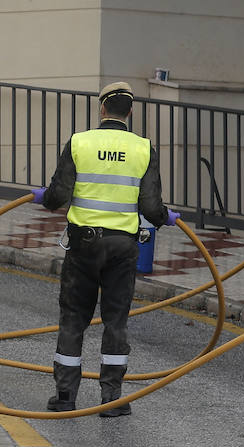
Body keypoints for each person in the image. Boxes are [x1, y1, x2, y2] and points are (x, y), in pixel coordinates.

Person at [30, 82, 179, 417]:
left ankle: (65, 396)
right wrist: (166, 217)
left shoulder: (80, 142)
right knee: (116, 321)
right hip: (122, 248)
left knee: (73, 319)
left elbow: (57, 197)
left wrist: (44, 196)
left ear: (102, 109)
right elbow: (151, 207)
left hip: (83, 245)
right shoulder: (143, 148)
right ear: (130, 112)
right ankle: (111, 399)